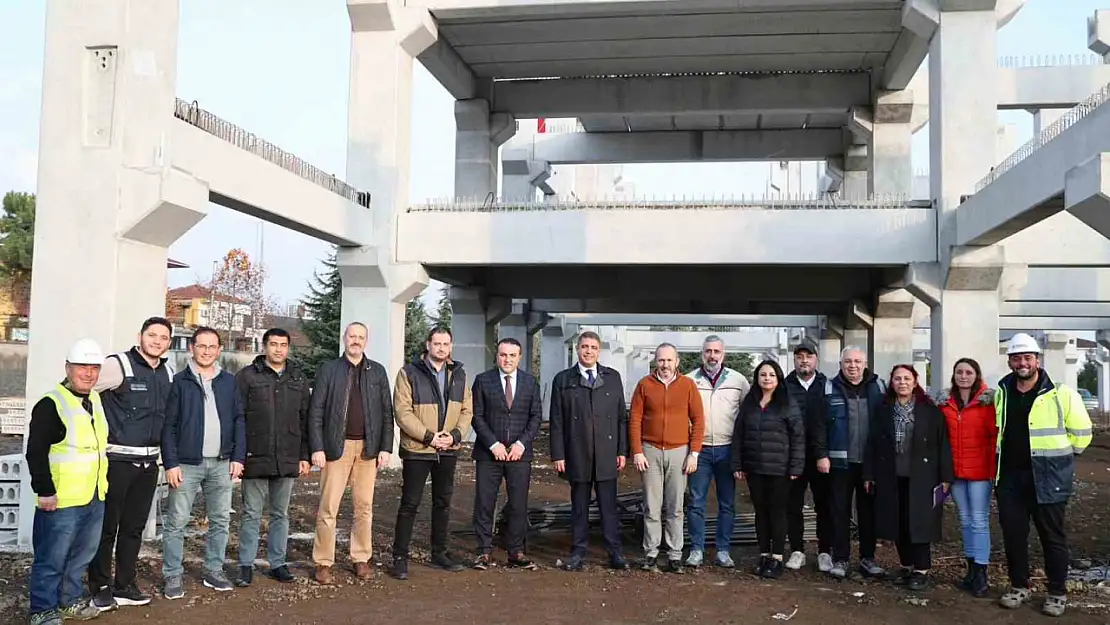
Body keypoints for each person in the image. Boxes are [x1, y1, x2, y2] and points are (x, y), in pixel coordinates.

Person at [995, 333, 1092, 617]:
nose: (1022, 362)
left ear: (1037, 360)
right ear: (1010, 361)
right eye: (1016, 358)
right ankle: (1018, 585)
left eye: (1027, 357)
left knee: (1052, 536)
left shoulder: (1062, 393)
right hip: (1011, 478)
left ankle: (1057, 592)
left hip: (1049, 478)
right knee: (1014, 535)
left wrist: (1061, 460)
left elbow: (1083, 434)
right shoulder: (1002, 392)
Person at [88, 317, 174, 612]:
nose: (157, 341)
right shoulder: (118, 365)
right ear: (140, 336)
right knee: (106, 528)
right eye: (152, 335)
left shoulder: (167, 372)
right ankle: (99, 587)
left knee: (133, 529)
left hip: (148, 464)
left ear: (169, 343)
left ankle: (124, 585)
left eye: (163, 337)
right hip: (117, 461)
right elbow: (81, 389)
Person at [26, 339, 111, 625]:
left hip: (93, 496)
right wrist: (45, 491)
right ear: (67, 368)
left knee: (80, 557)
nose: (88, 373)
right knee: (50, 560)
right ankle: (42, 610)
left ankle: (68, 602)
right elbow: (35, 452)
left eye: (94, 368)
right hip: (61, 500)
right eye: (82, 367)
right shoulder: (51, 404)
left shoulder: (95, 400)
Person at [160, 327, 245, 599]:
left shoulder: (229, 381)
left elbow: (239, 420)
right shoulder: (179, 382)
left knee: (220, 520)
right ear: (192, 348)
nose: (206, 351)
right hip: (186, 463)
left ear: (219, 349)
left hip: (222, 463)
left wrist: (238, 457)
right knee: (177, 521)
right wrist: (171, 462)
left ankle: (213, 570)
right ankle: (173, 575)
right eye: (201, 346)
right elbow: (169, 425)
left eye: (212, 346)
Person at [308, 322, 394, 585]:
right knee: (328, 507)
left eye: (360, 337)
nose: (356, 341)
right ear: (344, 338)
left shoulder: (377, 372)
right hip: (337, 447)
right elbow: (316, 411)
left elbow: (387, 413)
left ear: (366, 342)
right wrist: (317, 447)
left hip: (368, 449)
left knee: (364, 507)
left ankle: (361, 557)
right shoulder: (329, 370)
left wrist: (385, 447)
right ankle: (323, 562)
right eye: (352, 336)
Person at [390, 326, 473, 580]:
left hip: (448, 449)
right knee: (410, 504)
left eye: (446, 344)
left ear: (451, 346)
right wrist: (429, 436)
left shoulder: (459, 374)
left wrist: (455, 436)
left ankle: (440, 552)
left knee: (443, 503)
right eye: (437, 343)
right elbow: (402, 412)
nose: (441, 348)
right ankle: (400, 557)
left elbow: (467, 410)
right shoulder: (409, 373)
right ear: (428, 345)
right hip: (418, 449)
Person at [863, 365, 953, 592]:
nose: (902, 382)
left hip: (923, 477)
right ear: (891, 383)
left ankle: (921, 570)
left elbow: (943, 446)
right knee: (898, 521)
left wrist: (945, 478)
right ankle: (906, 565)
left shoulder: (930, 412)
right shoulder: (883, 411)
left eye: (906, 378)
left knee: (920, 522)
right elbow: (872, 444)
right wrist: (869, 474)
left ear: (915, 382)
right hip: (890, 476)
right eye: (897, 378)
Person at [234, 328, 312, 587]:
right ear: (264, 346)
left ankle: (278, 563)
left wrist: (304, 455)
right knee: (251, 513)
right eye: (274, 344)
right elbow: (238, 418)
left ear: (289, 348)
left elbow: (305, 419)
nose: (278, 349)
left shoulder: (298, 379)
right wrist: (239, 455)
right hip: (255, 455)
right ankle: (245, 564)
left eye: (283, 345)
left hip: (287, 455)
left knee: (281, 514)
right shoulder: (247, 377)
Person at [549, 331, 631, 571]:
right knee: (579, 508)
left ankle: (614, 552)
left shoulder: (612, 377)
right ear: (577, 349)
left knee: (609, 507)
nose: (588, 351)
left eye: (593, 347)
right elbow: (556, 420)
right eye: (584, 346)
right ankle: (578, 552)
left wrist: (621, 450)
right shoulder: (563, 379)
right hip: (577, 452)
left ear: (599, 350)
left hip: (606, 453)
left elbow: (620, 419)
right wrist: (558, 454)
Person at [629, 342, 705, 573]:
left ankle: (674, 555)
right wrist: (637, 451)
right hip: (650, 451)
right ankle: (651, 553)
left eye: (669, 360)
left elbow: (699, 420)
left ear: (677, 362)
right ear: (655, 361)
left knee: (675, 506)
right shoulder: (644, 385)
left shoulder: (688, 385)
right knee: (651, 506)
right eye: (661, 360)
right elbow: (635, 420)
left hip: (679, 452)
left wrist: (694, 453)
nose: (665, 364)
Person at [470, 338, 544, 570]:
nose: (507, 359)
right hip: (488, 453)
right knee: (484, 503)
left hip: (519, 455)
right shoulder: (483, 381)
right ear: (497, 356)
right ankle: (483, 551)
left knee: (518, 504)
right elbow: (477, 416)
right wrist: (493, 444)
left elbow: (535, 417)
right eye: (503, 355)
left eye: (512, 355)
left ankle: (516, 552)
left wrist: (521, 443)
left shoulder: (530, 383)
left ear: (519, 357)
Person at [731, 359, 804, 579]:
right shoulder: (750, 402)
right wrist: (738, 463)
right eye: (763, 375)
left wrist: (796, 466)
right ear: (757, 378)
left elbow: (798, 437)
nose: (767, 379)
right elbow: (739, 434)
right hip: (755, 467)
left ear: (778, 378)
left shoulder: (787, 403)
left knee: (778, 512)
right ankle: (764, 553)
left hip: (780, 469)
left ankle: (778, 557)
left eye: (771, 375)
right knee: (760, 512)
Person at [821, 346, 886, 579]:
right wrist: (821, 454)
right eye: (847, 361)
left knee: (868, 512)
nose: (853, 365)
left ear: (865, 363)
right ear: (841, 364)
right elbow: (819, 425)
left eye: (857, 361)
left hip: (869, 464)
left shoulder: (879, 387)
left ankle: (867, 558)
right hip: (840, 464)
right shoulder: (829, 387)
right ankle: (840, 559)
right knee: (839, 511)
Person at [685, 335, 749, 569]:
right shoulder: (689, 380)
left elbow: (747, 415)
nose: (712, 355)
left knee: (727, 503)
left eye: (716, 351)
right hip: (699, 451)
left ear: (724, 354)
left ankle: (723, 550)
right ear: (702, 353)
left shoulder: (738, 380)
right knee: (696, 502)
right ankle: (696, 550)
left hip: (727, 450)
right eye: (708, 351)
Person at [936, 358, 996, 597]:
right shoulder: (946, 404)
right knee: (964, 519)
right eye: (959, 372)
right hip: (956, 472)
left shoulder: (987, 403)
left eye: (968, 372)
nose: (963, 376)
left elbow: (994, 436)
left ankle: (981, 571)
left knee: (979, 519)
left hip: (980, 471)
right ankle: (971, 568)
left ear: (976, 375)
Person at [784, 338, 831, 572]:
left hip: (820, 456)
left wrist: (825, 453)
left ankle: (824, 551)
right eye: (800, 357)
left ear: (816, 359)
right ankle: (797, 550)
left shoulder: (828, 385)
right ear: (794, 360)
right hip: (793, 457)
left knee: (824, 504)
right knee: (793, 505)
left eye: (809, 356)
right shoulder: (784, 386)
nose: (804, 360)